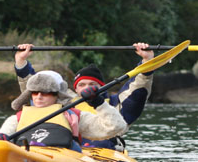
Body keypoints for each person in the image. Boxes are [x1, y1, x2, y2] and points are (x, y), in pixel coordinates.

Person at [13, 43, 155, 151]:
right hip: (67, 150)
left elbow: (138, 89)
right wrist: (21, 62)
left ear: (102, 86)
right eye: (82, 85)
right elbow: (37, 87)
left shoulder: (116, 103)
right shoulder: (64, 101)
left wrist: (147, 62)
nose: (87, 88)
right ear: (75, 89)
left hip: (104, 152)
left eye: (93, 84)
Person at [0, 70, 127, 152]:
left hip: (63, 158)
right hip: (26, 157)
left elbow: (116, 127)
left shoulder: (73, 117)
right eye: (34, 93)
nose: (39, 97)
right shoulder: (17, 118)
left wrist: (99, 103)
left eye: (46, 92)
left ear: (57, 95)